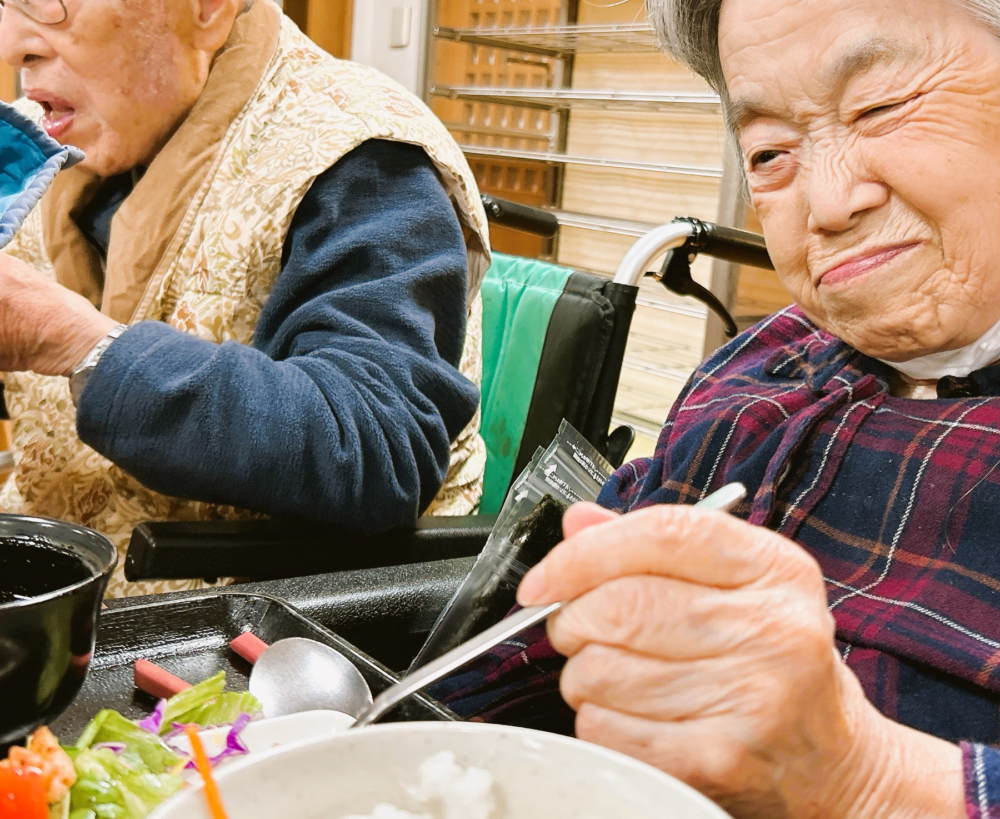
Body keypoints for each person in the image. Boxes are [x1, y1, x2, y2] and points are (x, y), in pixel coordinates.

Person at [436, 0, 1000, 814]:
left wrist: (870, 778)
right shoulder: (760, 363)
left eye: (880, 107)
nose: (830, 203)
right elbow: (530, 645)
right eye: (770, 152)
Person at [0, 0, 490, 596]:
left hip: (255, 631)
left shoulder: (359, 155)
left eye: (48, 5)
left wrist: (69, 338)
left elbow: (377, 451)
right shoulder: (53, 144)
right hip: (56, 576)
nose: (11, 46)